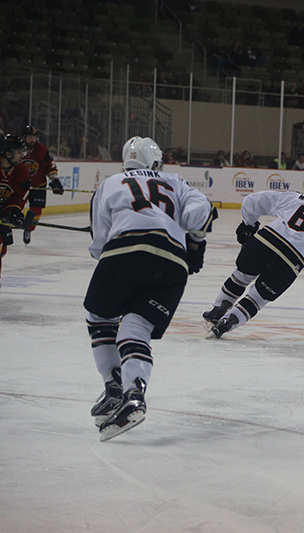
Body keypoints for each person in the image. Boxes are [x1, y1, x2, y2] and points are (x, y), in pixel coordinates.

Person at [84, 136, 216, 441]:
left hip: (124, 253)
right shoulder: (176, 181)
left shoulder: (110, 183)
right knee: (135, 328)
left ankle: (114, 387)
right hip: (172, 263)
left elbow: (99, 244)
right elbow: (201, 214)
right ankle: (135, 396)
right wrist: (193, 244)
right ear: (155, 163)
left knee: (99, 316)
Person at [203, 176, 304, 338]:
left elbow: (252, 200)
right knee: (258, 298)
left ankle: (218, 309)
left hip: (264, 241)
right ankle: (229, 321)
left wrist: (249, 224)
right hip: (291, 259)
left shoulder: (293, 196)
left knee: (241, 276)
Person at [19, 125, 63, 245]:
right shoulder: (17, 149)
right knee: (14, 208)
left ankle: (29, 229)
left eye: (34, 137)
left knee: (36, 212)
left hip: (38, 185)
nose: (32, 140)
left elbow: (49, 165)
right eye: (30, 137)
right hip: (19, 185)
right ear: (24, 137)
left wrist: (54, 180)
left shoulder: (41, 150)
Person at [0, 134, 31, 285]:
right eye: (19, 152)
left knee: (2, 247)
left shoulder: (21, 171)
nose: (22, 156)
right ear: (7, 153)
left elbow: (18, 196)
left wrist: (14, 211)